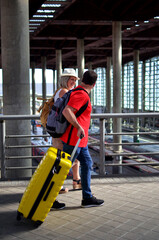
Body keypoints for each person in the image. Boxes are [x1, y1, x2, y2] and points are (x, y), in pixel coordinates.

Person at [61, 70, 104, 207]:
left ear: (82, 80)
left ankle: (87, 197)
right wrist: (78, 126)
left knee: (87, 164)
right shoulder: (81, 94)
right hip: (74, 140)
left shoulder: (79, 91)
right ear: (94, 84)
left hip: (80, 141)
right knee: (61, 171)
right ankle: (48, 198)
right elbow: (66, 111)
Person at [51, 68, 81, 209]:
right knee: (63, 160)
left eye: (75, 80)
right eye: (71, 79)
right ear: (65, 80)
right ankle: (57, 188)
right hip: (62, 133)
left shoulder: (60, 91)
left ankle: (75, 180)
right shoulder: (64, 92)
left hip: (59, 132)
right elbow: (67, 111)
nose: (74, 82)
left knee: (68, 158)